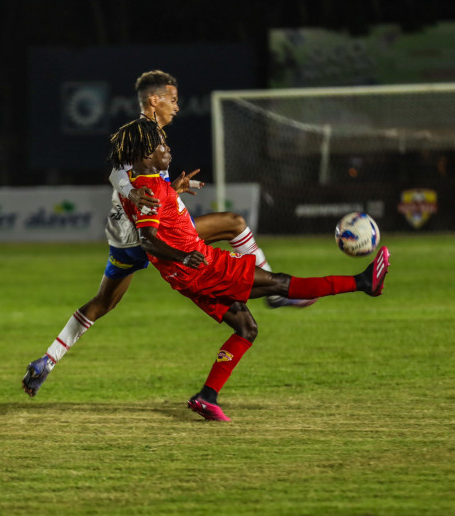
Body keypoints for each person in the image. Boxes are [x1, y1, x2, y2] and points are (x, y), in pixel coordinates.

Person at [22, 71, 310, 398]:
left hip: (125, 240)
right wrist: (132, 194)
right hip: (150, 235)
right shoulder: (142, 135)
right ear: (154, 100)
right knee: (233, 223)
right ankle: (273, 291)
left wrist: (175, 190)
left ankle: (47, 360)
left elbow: (146, 186)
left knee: (103, 302)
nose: (176, 105)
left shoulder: (151, 137)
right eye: (172, 99)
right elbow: (117, 173)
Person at [110, 117, 389, 421]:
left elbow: (157, 220)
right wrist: (183, 256)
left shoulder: (144, 186)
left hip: (188, 276)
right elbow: (148, 239)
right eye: (162, 145)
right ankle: (364, 282)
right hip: (202, 267)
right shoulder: (149, 190)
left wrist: (174, 190)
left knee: (246, 328)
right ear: (147, 153)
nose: (168, 149)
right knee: (279, 283)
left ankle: (207, 397)